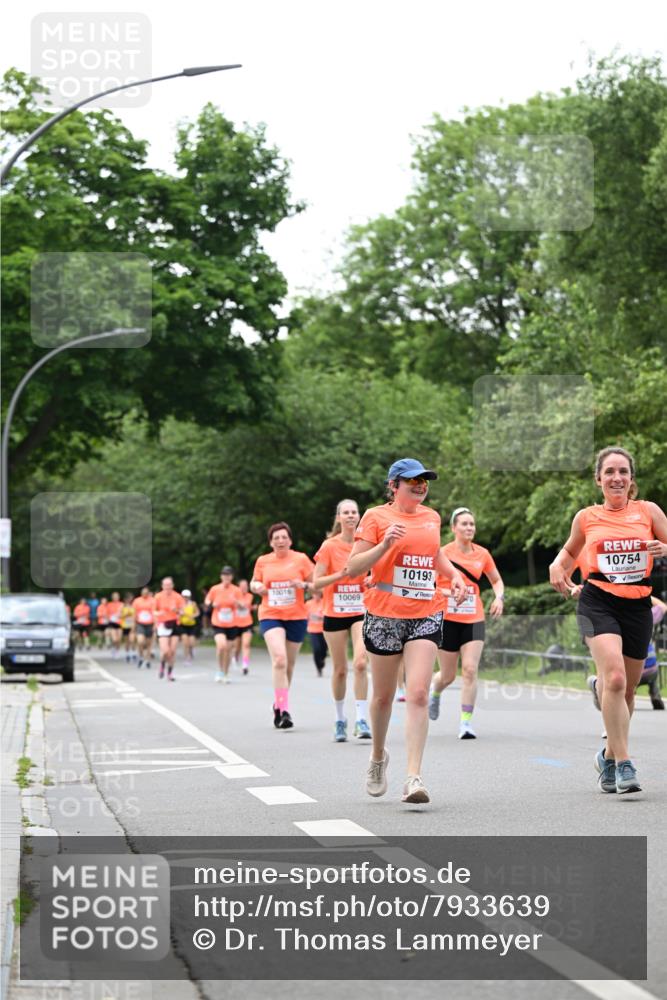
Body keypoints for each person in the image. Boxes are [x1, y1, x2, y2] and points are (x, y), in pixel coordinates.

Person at [347, 458, 466, 804]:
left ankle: (413, 777)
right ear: (394, 485)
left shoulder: (431, 518)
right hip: (384, 613)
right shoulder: (375, 517)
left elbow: (433, 557)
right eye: (413, 481)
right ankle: (378, 756)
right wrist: (384, 545)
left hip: (426, 612)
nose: (420, 486)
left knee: (417, 693)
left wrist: (454, 574)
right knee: (383, 697)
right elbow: (353, 567)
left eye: (424, 481)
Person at [549, 446, 667, 794]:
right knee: (614, 677)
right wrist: (559, 566)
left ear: (631, 479)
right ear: (598, 479)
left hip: (638, 604)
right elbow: (570, 552)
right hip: (596, 601)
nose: (617, 477)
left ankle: (608, 757)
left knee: (627, 689)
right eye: (610, 472)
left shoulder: (648, 512)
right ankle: (625, 763)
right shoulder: (587, 517)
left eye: (623, 472)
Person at [429, 506, 505, 738]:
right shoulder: (442, 553)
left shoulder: (482, 554)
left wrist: (499, 597)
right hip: (447, 618)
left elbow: (496, 580)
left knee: (470, 670)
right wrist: (448, 594)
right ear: (453, 528)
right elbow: (430, 585)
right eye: (464, 524)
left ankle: (465, 723)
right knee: (448, 675)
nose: (469, 528)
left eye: (472, 524)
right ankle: (436, 691)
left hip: (474, 618)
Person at [312, 499, 371, 741]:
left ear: (359, 517)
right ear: (338, 518)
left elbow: (374, 573)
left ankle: (361, 719)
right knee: (339, 670)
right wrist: (340, 575)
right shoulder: (329, 546)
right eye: (345, 512)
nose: (350, 516)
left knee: (359, 663)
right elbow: (316, 583)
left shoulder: (366, 544)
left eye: (353, 512)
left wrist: (370, 580)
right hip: (334, 612)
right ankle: (339, 719)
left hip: (360, 610)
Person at [250, 523, 314, 729]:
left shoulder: (301, 559)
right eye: (276, 537)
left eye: (284, 537)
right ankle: (284, 710)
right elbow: (254, 582)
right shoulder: (263, 561)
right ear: (271, 542)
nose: (280, 540)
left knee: (289, 665)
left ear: (290, 540)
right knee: (279, 659)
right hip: (271, 614)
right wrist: (257, 587)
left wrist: (303, 585)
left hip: (296, 615)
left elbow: (316, 584)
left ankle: (278, 702)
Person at [588, 596, 667, 711]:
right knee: (647, 665)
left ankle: (599, 688)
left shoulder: (608, 622)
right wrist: (643, 595)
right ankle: (654, 691)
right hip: (651, 670)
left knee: (611, 673)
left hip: (627, 673)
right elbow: (663, 607)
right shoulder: (644, 616)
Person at [204, 567, 244, 684]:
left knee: (228, 649)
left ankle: (225, 673)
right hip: (218, 622)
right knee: (221, 646)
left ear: (232, 577)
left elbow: (242, 605)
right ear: (221, 576)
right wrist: (212, 604)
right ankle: (220, 671)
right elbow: (207, 601)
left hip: (232, 623)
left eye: (229, 575)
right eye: (224, 575)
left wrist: (236, 602)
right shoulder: (215, 589)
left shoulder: (236, 590)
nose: (226, 577)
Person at [153, 577, 185, 681]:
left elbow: (183, 612)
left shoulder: (178, 597)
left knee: (172, 651)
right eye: (165, 585)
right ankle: (162, 665)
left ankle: (170, 673)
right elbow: (153, 611)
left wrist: (177, 610)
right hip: (163, 624)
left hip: (175, 624)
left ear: (172, 585)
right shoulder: (158, 597)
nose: (167, 587)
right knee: (165, 651)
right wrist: (159, 613)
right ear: (162, 586)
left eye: (169, 585)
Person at [232, 579, 255, 675]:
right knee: (237, 647)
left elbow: (244, 606)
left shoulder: (250, 596)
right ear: (238, 587)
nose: (244, 588)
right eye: (242, 586)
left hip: (247, 623)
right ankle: (235, 657)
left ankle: (245, 665)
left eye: (246, 586)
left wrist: (238, 602)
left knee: (246, 644)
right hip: (236, 624)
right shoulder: (233, 595)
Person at [305, 589, 328, 676]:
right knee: (316, 649)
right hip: (312, 630)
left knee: (324, 650)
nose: (316, 595)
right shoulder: (308, 604)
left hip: (324, 630)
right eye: (314, 593)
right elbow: (305, 616)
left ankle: (322, 660)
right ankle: (319, 667)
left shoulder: (324, 602)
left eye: (318, 593)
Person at [132, 587, 155, 669]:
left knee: (148, 644)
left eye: (146, 593)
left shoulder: (152, 601)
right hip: (140, 624)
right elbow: (134, 613)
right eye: (143, 593)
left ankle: (147, 660)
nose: (144, 594)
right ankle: (141, 657)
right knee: (140, 641)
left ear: (148, 593)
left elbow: (154, 613)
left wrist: (155, 625)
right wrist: (133, 626)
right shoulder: (137, 601)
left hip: (150, 624)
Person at [179, 589, 200, 664]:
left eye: (187, 596)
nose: (185, 598)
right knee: (185, 643)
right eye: (184, 596)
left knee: (191, 642)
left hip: (191, 625)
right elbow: (177, 613)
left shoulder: (193, 604)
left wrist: (193, 616)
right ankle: (186, 658)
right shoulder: (180, 604)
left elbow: (197, 612)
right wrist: (180, 613)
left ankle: (191, 651)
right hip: (183, 625)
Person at [106, 591, 123, 658]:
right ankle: (114, 649)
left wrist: (121, 615)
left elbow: (125, 613)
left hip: (120, 623)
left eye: (117, 596)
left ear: (119, 597)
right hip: (112, 623)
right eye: (114, 596)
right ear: (112, 597)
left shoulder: (122, 604)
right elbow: (107, 614)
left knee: (119, 639)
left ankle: (117, 650)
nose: (116, 598)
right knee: (114, 639)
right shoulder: (109, 605)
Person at [120, 594, 136, 662]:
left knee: (132, 640)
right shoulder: (123, 607)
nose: (130, 600)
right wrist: (125, 615)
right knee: (127, 641)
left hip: (132, 625)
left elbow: (136, 616)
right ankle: (127, 654)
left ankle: (133, 653)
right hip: (125, 625)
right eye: (128, 599)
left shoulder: (134, 606)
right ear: (125, 600)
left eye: (131, 599)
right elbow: (119, 616)